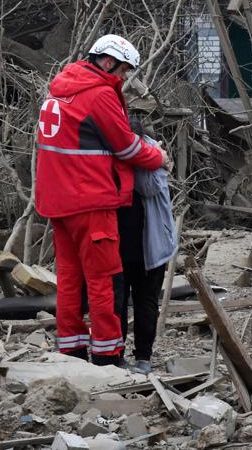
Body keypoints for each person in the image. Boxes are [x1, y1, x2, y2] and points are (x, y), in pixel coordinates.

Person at [34, 34, 167, 366]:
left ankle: (72, 351)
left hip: (57, 202)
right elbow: (126, 146)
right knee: (104, 280)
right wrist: (158, 157)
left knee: (68, 279)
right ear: (108, 62)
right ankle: (108, 356)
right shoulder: (99, 95)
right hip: (90, 201)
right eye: (122, 71)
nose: (123, 78)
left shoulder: (61, 87)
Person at [114, 154, 178, 374]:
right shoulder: (153, 165)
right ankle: (143, 358)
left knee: (118, 304)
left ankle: (117, 356)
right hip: (152, 248)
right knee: (146, 302)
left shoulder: (111, 162)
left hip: (120, 248)